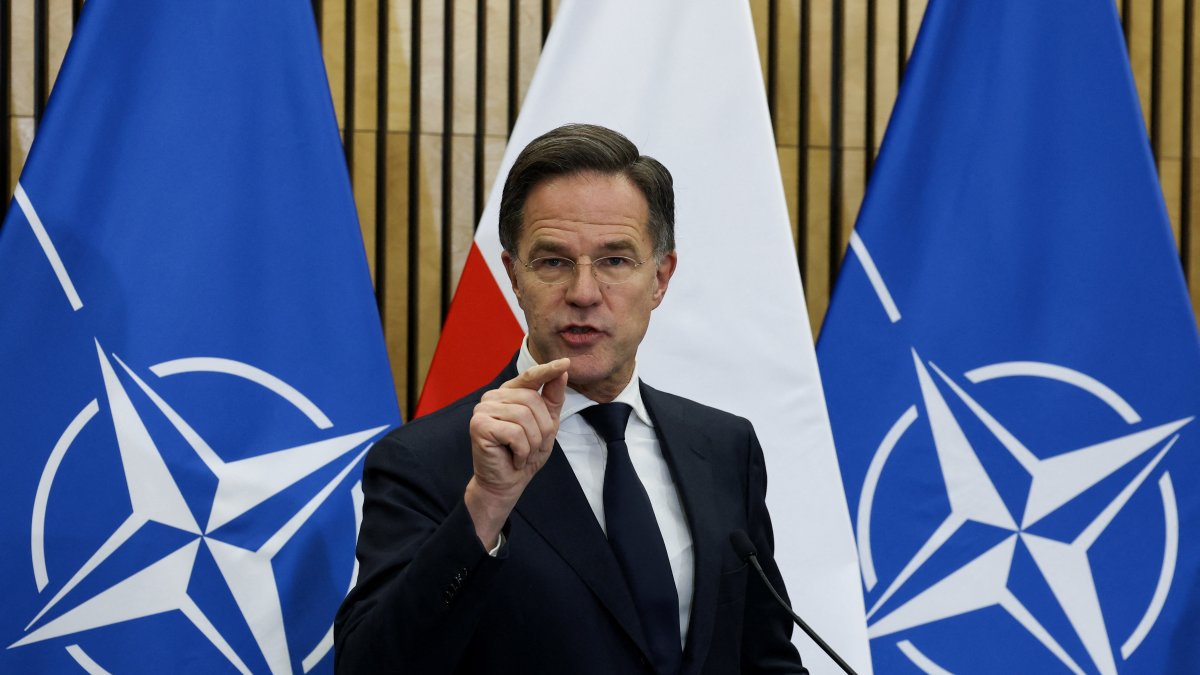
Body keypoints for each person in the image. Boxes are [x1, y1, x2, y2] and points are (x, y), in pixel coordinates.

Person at [334, 123, 808, 674]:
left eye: (615, 260)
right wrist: (487, 504)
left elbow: (764, 656)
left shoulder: (724, 448)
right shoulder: (428, 460)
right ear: (514, 275)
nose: (584, 294)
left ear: (661, 277)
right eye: (554, 261)